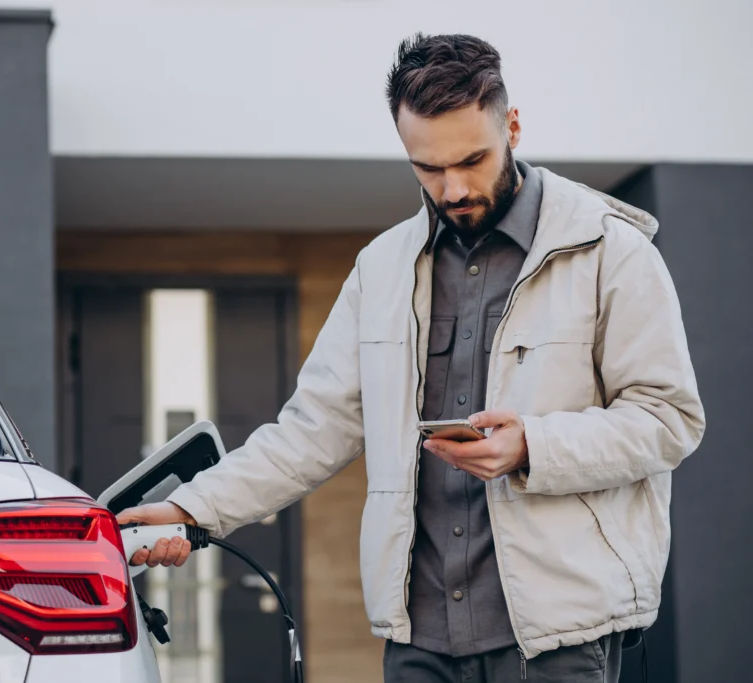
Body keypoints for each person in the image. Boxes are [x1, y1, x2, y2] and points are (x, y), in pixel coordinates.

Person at [116, 33, 705, 683]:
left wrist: (533, 445)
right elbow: (311, 430)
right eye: (427, 168)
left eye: (472, 160)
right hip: (420, 637)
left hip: (559, 638)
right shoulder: (381, 271)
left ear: (512, 126)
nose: (452, 188)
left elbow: (669, 418)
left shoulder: (611, 253)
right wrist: (194, 508)